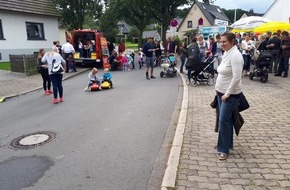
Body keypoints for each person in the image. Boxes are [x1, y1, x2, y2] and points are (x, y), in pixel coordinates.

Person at [215, 32, 244, 160]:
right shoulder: (226, 53)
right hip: (221, 93)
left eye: (224, 41)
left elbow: (237, 77)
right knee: (226, 120)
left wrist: (227, 94)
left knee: (223, 121)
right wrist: (217, 88)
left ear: (232, 41)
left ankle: (223, 149)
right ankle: (227, 143)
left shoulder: (236, 56)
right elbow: (223, 73)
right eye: (220, 41)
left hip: (230, 95)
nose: (222, 44)